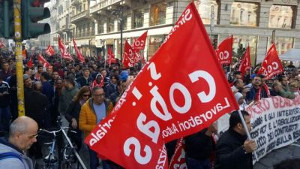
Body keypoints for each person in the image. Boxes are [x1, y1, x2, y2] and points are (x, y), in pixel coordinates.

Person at [79, 87, 113, 169]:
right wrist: (97, 127)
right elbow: (81, 125)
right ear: (93, 96)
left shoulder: (109, 104)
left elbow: (112, 119)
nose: (101, 97)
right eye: (98, 95)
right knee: (94, 162)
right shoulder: (85, 107)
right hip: (92, 139)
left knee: (107, 163)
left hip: (106, 139)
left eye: (103, 94)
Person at [65, 86, 91, 151]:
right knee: (77, 143)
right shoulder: (74, 102)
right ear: (81, 94)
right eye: (85, 95)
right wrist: (72, 119)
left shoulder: (91, 103)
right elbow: (67, 114)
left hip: (86, 128)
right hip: (76, 128)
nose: (87, 97)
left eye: (89, 95)